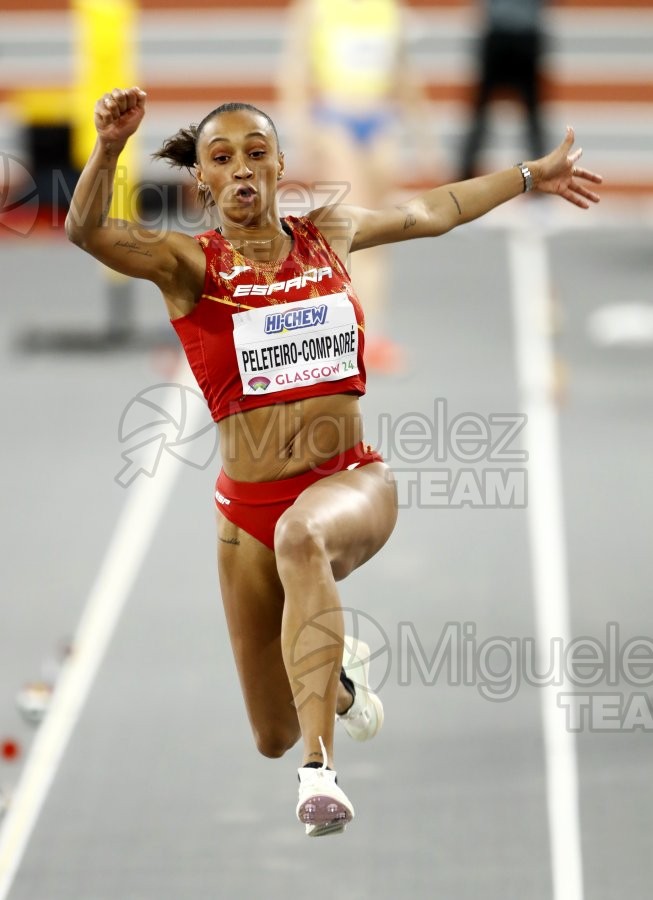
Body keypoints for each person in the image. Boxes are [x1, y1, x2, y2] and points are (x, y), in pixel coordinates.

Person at [65, 86, 601, 837]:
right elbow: (85, 230)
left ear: (282, 165)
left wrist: (525, 176)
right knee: (268, 731)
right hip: (242, 511)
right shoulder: (189, 267)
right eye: (222, 159)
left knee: (302, 537)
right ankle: (339, 689)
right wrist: (110, 147)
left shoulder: (329, 234)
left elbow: (430, 210)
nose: (243, 170)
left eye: (257, 154)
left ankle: (318, 775)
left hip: (350, 480)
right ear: (204, 183)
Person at [278, 0, 432, 374]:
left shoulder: (388, 9)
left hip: (380, 120)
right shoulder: (315, 8)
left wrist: (422, 132)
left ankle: (373, 334)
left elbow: (404, 73)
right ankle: (337, 331)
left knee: (378, 234)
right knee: (348, 229)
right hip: (336, 121)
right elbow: (293, 70)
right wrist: (300, 132)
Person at [459, 0, 548, 181]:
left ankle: (542, 175)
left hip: (514, 33)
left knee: (532, 114)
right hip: (513, 33)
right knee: (482, 113)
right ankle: (464, 175)